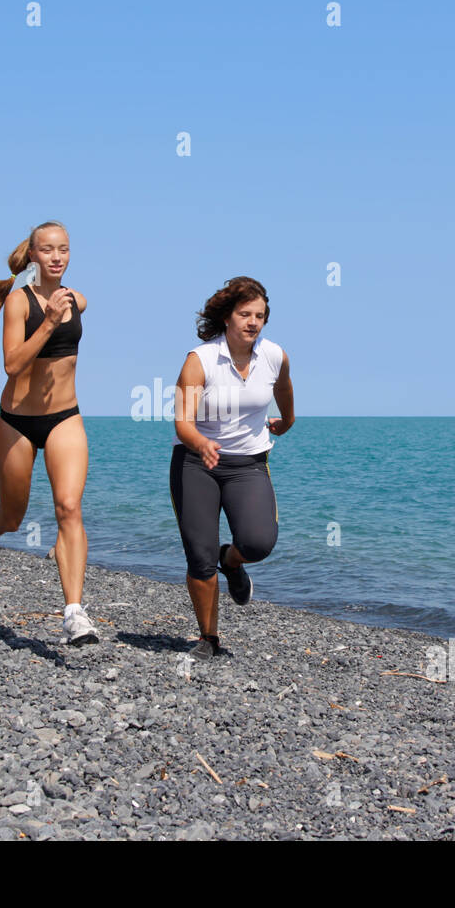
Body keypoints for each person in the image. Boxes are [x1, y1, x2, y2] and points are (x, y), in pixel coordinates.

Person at [0, 221, 98, 646]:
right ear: (33, 255)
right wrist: (46, 323)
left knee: (68, 506)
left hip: (65, 416)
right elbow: (12, 365)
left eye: (63, 249)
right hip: (17, 421)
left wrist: (62, 314)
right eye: (47, 250)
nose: (57, 257)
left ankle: (74, 612)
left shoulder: (77, 300)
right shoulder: (18, 304)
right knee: (14, 515)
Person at [171, 276, 294, 660]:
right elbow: (182, 421)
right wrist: (202, 443)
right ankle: (208, 638)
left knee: (259, 542)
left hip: (249, 465)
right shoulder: (200, 360)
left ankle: (233, 561)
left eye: (259, 316)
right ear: (228, 317)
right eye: (245, 314)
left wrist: (287, 420)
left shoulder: (274, 356)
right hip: (196, 463)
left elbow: (284, 388)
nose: (252, 322)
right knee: (199, 555)